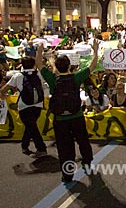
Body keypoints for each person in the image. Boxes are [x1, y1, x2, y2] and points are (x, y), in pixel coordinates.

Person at [36, 40, 99, 184]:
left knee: (65, 148)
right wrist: (95, 49)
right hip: (76, 116)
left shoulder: (52, 79)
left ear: (56, 67)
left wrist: (40, 50)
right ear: (70, 66)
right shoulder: (76, 77)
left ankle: (68, 174)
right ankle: (87, 160)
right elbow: (93, 65)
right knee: (82, 140)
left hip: (60, 119)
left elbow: (39, 64)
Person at [0, 57, 47, 158]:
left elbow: (4, 89)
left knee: (31, 126)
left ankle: (42, 149)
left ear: (22, 64)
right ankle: (24, 146)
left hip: (24, 106)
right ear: (34, 65)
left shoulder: (18, 76)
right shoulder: (39, 74)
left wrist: (3, 95)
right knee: (31, 126)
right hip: (38, 105)